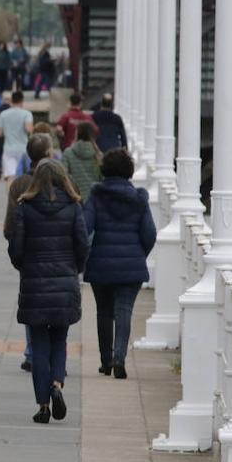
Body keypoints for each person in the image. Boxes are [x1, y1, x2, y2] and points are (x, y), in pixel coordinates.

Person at [8, 160, 89, 424]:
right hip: (64, 282)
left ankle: (43, 405)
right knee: (60, 340)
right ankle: (57, 384)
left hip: (34, 282)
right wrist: (75, 269)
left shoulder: (25, 207)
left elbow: (16, 248)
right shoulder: (74, 206)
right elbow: (82, 244)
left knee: (39, 344)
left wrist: (24, 267)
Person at [83, 149, 156, 379]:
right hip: (131, 266)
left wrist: (86, 255)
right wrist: (139, 255)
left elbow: (85, 228)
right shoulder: (139, 200)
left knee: (104, 312)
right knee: (124, 311)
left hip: (101, 264)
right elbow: (150, 234)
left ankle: (105, 361)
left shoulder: (96, 197)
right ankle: (119, 358)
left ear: (104, 170)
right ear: (129, 172)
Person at [3, 132, 56, 373]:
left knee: (32, 303)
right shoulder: (61, 182)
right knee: (57, 304)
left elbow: (10, 226)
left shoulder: (19, 185)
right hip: (58, 255)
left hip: (30, 256)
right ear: (49, 154)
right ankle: (55, 356)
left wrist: (17, 253)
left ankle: (32, 353)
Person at [0, 91, 34, 182]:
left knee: (10, 176)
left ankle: (10, 191)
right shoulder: (27, 114)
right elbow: (29, 129)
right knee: (26, 177)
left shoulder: (3, 114)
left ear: (11, 100)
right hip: (23, 149)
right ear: (22, 100)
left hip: (8, 149)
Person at [62, 120, 103, 199]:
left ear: (77, 134)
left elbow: (63, 176)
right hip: (94, 199)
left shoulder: (68, 153)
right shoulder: (98, 155)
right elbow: (103, 179)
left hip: (74, 198)